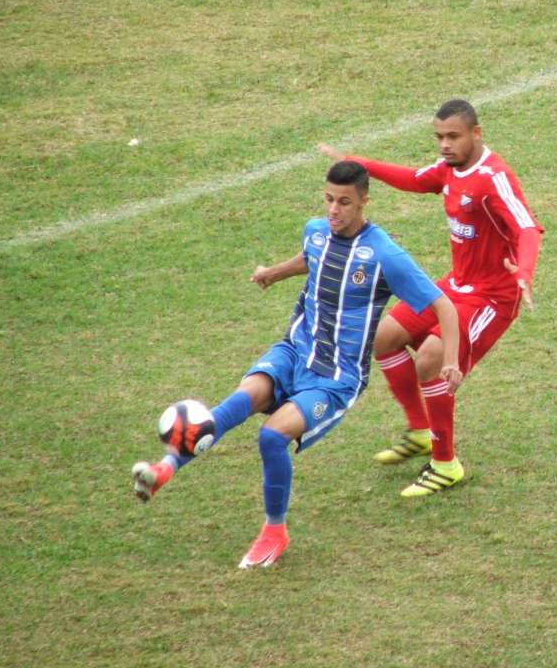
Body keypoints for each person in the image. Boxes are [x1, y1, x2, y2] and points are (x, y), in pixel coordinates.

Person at [131, 161, 463, 568]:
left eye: (344, 202)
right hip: (294, 351)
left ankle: (275, 531)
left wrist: (450, 361)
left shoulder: (384, 255)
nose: (333, 210)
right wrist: (273, 273)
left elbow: (443, 306)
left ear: (363, 202)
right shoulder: (317, 230)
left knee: (272, 438)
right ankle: (164, 469)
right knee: (240, 400)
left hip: (335, 378)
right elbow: (311, 257)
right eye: (328, 199)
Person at [319, 99, 542, 497]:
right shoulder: (450, 170)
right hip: (456, 284)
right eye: (439, 137)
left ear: (476, 133)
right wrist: (360, 164)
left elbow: (527, 227)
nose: (444, 145)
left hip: (492, 296)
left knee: (431, 359)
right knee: (384, 336)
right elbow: (414, 179)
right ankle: (421, 431)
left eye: (453, 136)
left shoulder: (493, 177)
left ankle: (445, 463)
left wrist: (524, 272)